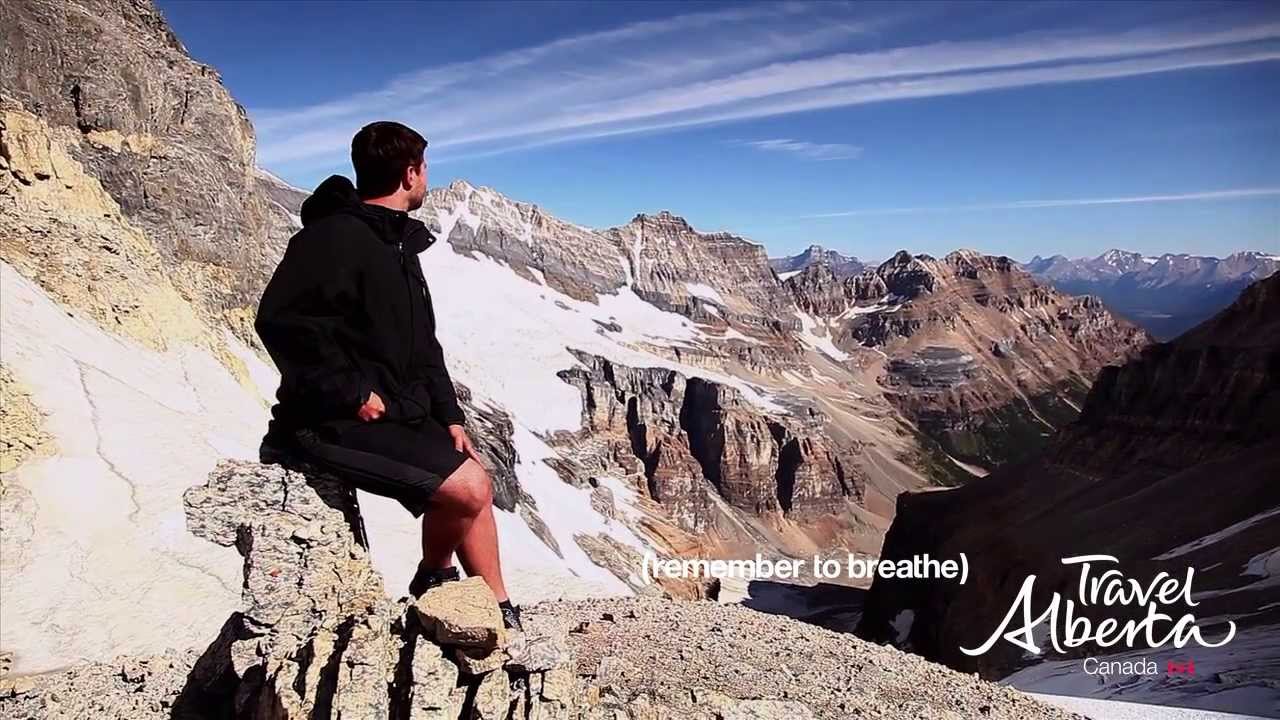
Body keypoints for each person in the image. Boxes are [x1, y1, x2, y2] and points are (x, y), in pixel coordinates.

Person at [254, 121, 521, 631]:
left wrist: (450, 416)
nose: (426, 178)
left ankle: (497, 607)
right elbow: (281, 323)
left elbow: (424, 346)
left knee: (474, 480)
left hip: (393, 411)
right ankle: (435, 574)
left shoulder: (396, 242)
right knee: (468, 488)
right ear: (410, 173)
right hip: (329, 420)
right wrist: (352, 392)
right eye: (424, 168)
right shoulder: (332, 238)